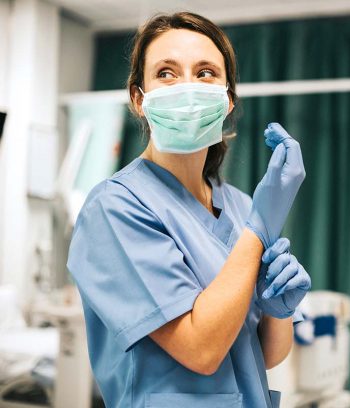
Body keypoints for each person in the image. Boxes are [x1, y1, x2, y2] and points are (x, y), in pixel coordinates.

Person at [66, 11, 310, 408]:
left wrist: (278, 310)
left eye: (205, 73)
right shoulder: (114, 208)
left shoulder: (240, 207)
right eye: (166, 73)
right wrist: (258, 231)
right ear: (138, 99)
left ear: (227, 100)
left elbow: (261, 356)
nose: (186, 87)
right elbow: (201, 350)